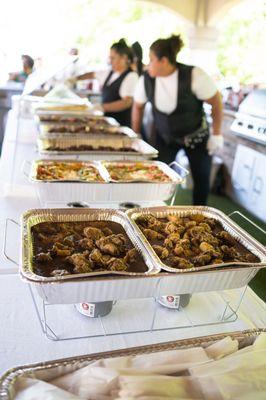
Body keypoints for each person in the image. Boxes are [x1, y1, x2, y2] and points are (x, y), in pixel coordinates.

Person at [132, 35, 223, 205]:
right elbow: (138, 106)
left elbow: (216, 102)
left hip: (196, 137)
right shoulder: (146, 80)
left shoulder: (194, 75)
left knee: (201, 180)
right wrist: (135, 133)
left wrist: (217, 134)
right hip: (165, 138)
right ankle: (154, 210)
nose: (147, 64)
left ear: (164, 61)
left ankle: (199, 213)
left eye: (151, 60)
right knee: (158, 178)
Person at [76, 39, 138, 127]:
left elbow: (126, 102)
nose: (110, 61)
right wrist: (75, 79)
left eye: (113, 58)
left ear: (124, 58)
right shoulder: (110, 73)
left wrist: (102, 107)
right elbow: (92, 74)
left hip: (120, 125)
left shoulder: (131, 76)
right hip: (107, 122)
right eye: (110, 58)